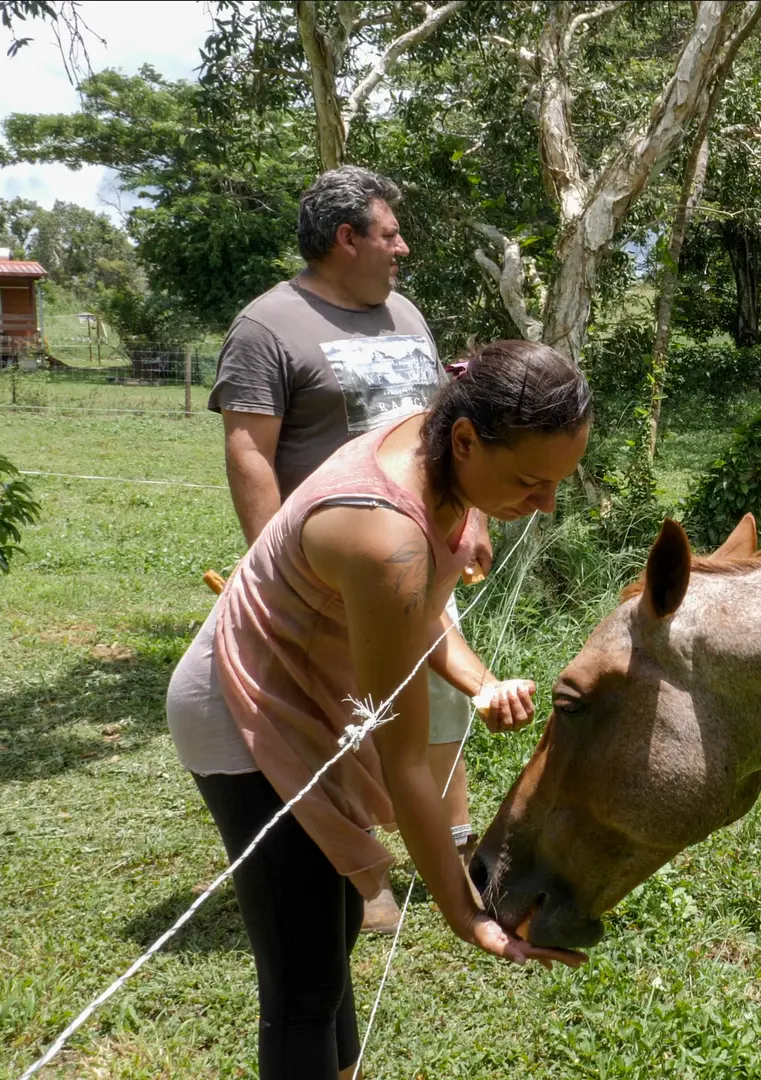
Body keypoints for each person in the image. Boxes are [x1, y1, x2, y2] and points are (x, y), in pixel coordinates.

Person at [167, 341, 591, 1080]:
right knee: (304, 978)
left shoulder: (433, 437)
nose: (546, 505)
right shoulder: (382, 532)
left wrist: (476, 679)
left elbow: (419, 603)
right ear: (466, 440)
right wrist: (465, 913)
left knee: (331, 933)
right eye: (531, 481)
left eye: (558, 483)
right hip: (245, 708)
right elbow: (406, 764)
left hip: (312, 694)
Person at [208, 164, 481, 933]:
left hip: (422, 548)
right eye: (389, 234)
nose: (402, 248)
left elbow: (443, 431)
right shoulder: (269, 327)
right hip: (333, 571)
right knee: (345, 715)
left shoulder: (406, 315)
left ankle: (456, 848)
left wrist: (472, 519)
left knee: (443, 701)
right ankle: (363, 879)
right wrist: (279, 568)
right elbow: (250, 453)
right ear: (346, 237)